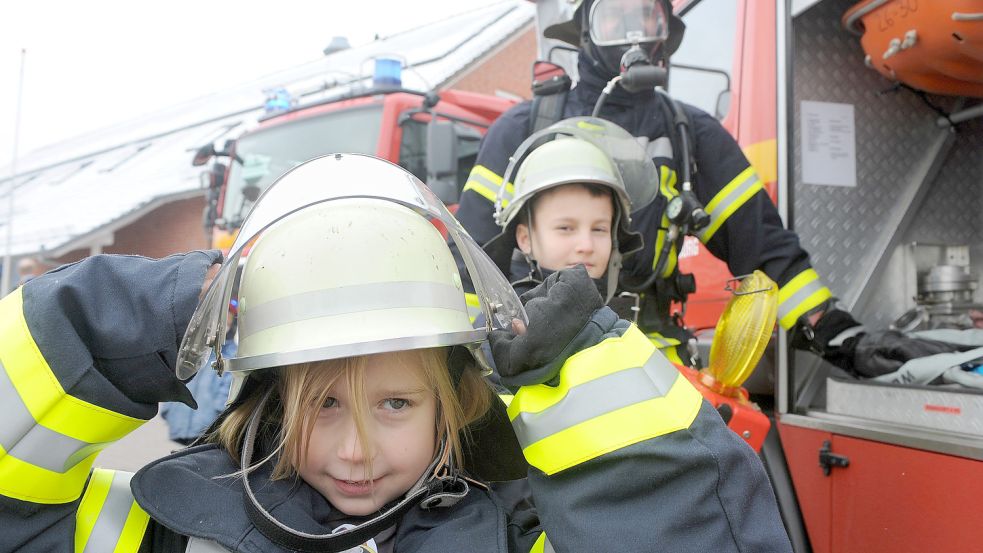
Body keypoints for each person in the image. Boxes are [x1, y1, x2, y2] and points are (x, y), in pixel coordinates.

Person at [0, 154, 792, 552]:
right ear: (269, 404)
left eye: (397, 402)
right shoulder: (180, 525)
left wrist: (580, 373)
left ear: (462, 401)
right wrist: (157, 310)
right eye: (323, 404)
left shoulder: (529, 532)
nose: (355, 449)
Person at [454, 0, 936, 378]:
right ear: (584, 31)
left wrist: (836, 333)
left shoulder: (693, 134)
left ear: (667, 32)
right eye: (614, 17)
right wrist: (466, 366)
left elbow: (763, 248)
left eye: (648, 15)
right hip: (533, 357)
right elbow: (468, 261)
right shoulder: (522, 130)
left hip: (652, 363)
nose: (634, 33)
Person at [160, 299, 237, 445]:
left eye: (228, 318)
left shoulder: (232, 356)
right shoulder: (194, 351)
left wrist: (218, 418)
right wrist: (168, 409)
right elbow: (178, 378)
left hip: (209, 429)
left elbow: (228, 395)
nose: (223, 322)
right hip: (183, 426)